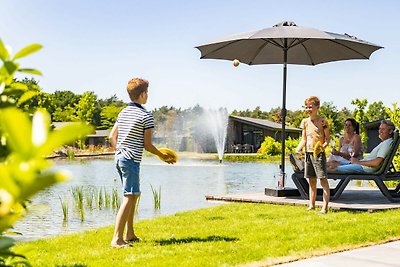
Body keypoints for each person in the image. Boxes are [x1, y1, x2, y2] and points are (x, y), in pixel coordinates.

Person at [109, 78, 174, 248]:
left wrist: (119, 152)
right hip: (130, 160)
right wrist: (162, 155)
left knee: (133, 195)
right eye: (147, 92)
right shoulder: (146, 115)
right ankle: (117, 239)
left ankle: (129, 234)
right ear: (143, 94)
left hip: (120, 158)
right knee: (129, 197)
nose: (148, 95)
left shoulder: (123, 112)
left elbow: (111, 137)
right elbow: (147, 145)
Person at [295, 96, 330, 214]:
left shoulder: (323, 122)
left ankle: (324, 208)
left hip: (318, 154)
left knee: (323, 180)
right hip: (308, 153)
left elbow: (327, 140)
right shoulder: (304, 122)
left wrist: (323, 147)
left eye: (310, 107)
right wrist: (298, 149)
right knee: (311, 180)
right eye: (306, 107)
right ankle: (312, 205)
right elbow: (303, 139)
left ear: (317, 107)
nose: (308, 109)